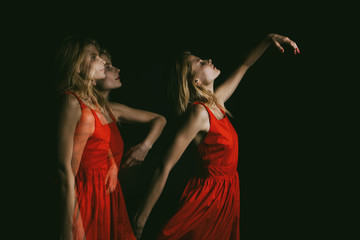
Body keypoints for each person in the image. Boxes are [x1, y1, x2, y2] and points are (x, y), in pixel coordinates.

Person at [132, 33, 300, 239]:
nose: (209, 60)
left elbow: (244, 65)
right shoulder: (199, 113)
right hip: (207, 200)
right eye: (200, 62)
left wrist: (268, 39)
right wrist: (140, 219)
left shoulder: (216, 102)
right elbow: (164, 166)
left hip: (228, 195)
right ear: (195, 80)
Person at [54, 35, 165, 240]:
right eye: (94, 57)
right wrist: (72, 223)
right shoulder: (71, 102)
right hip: (84, 198)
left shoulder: (94, 106)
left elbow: (96, 145)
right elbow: (65, 170)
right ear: (77, 67)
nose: (103, 63)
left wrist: (112, 166)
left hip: (106, 197)